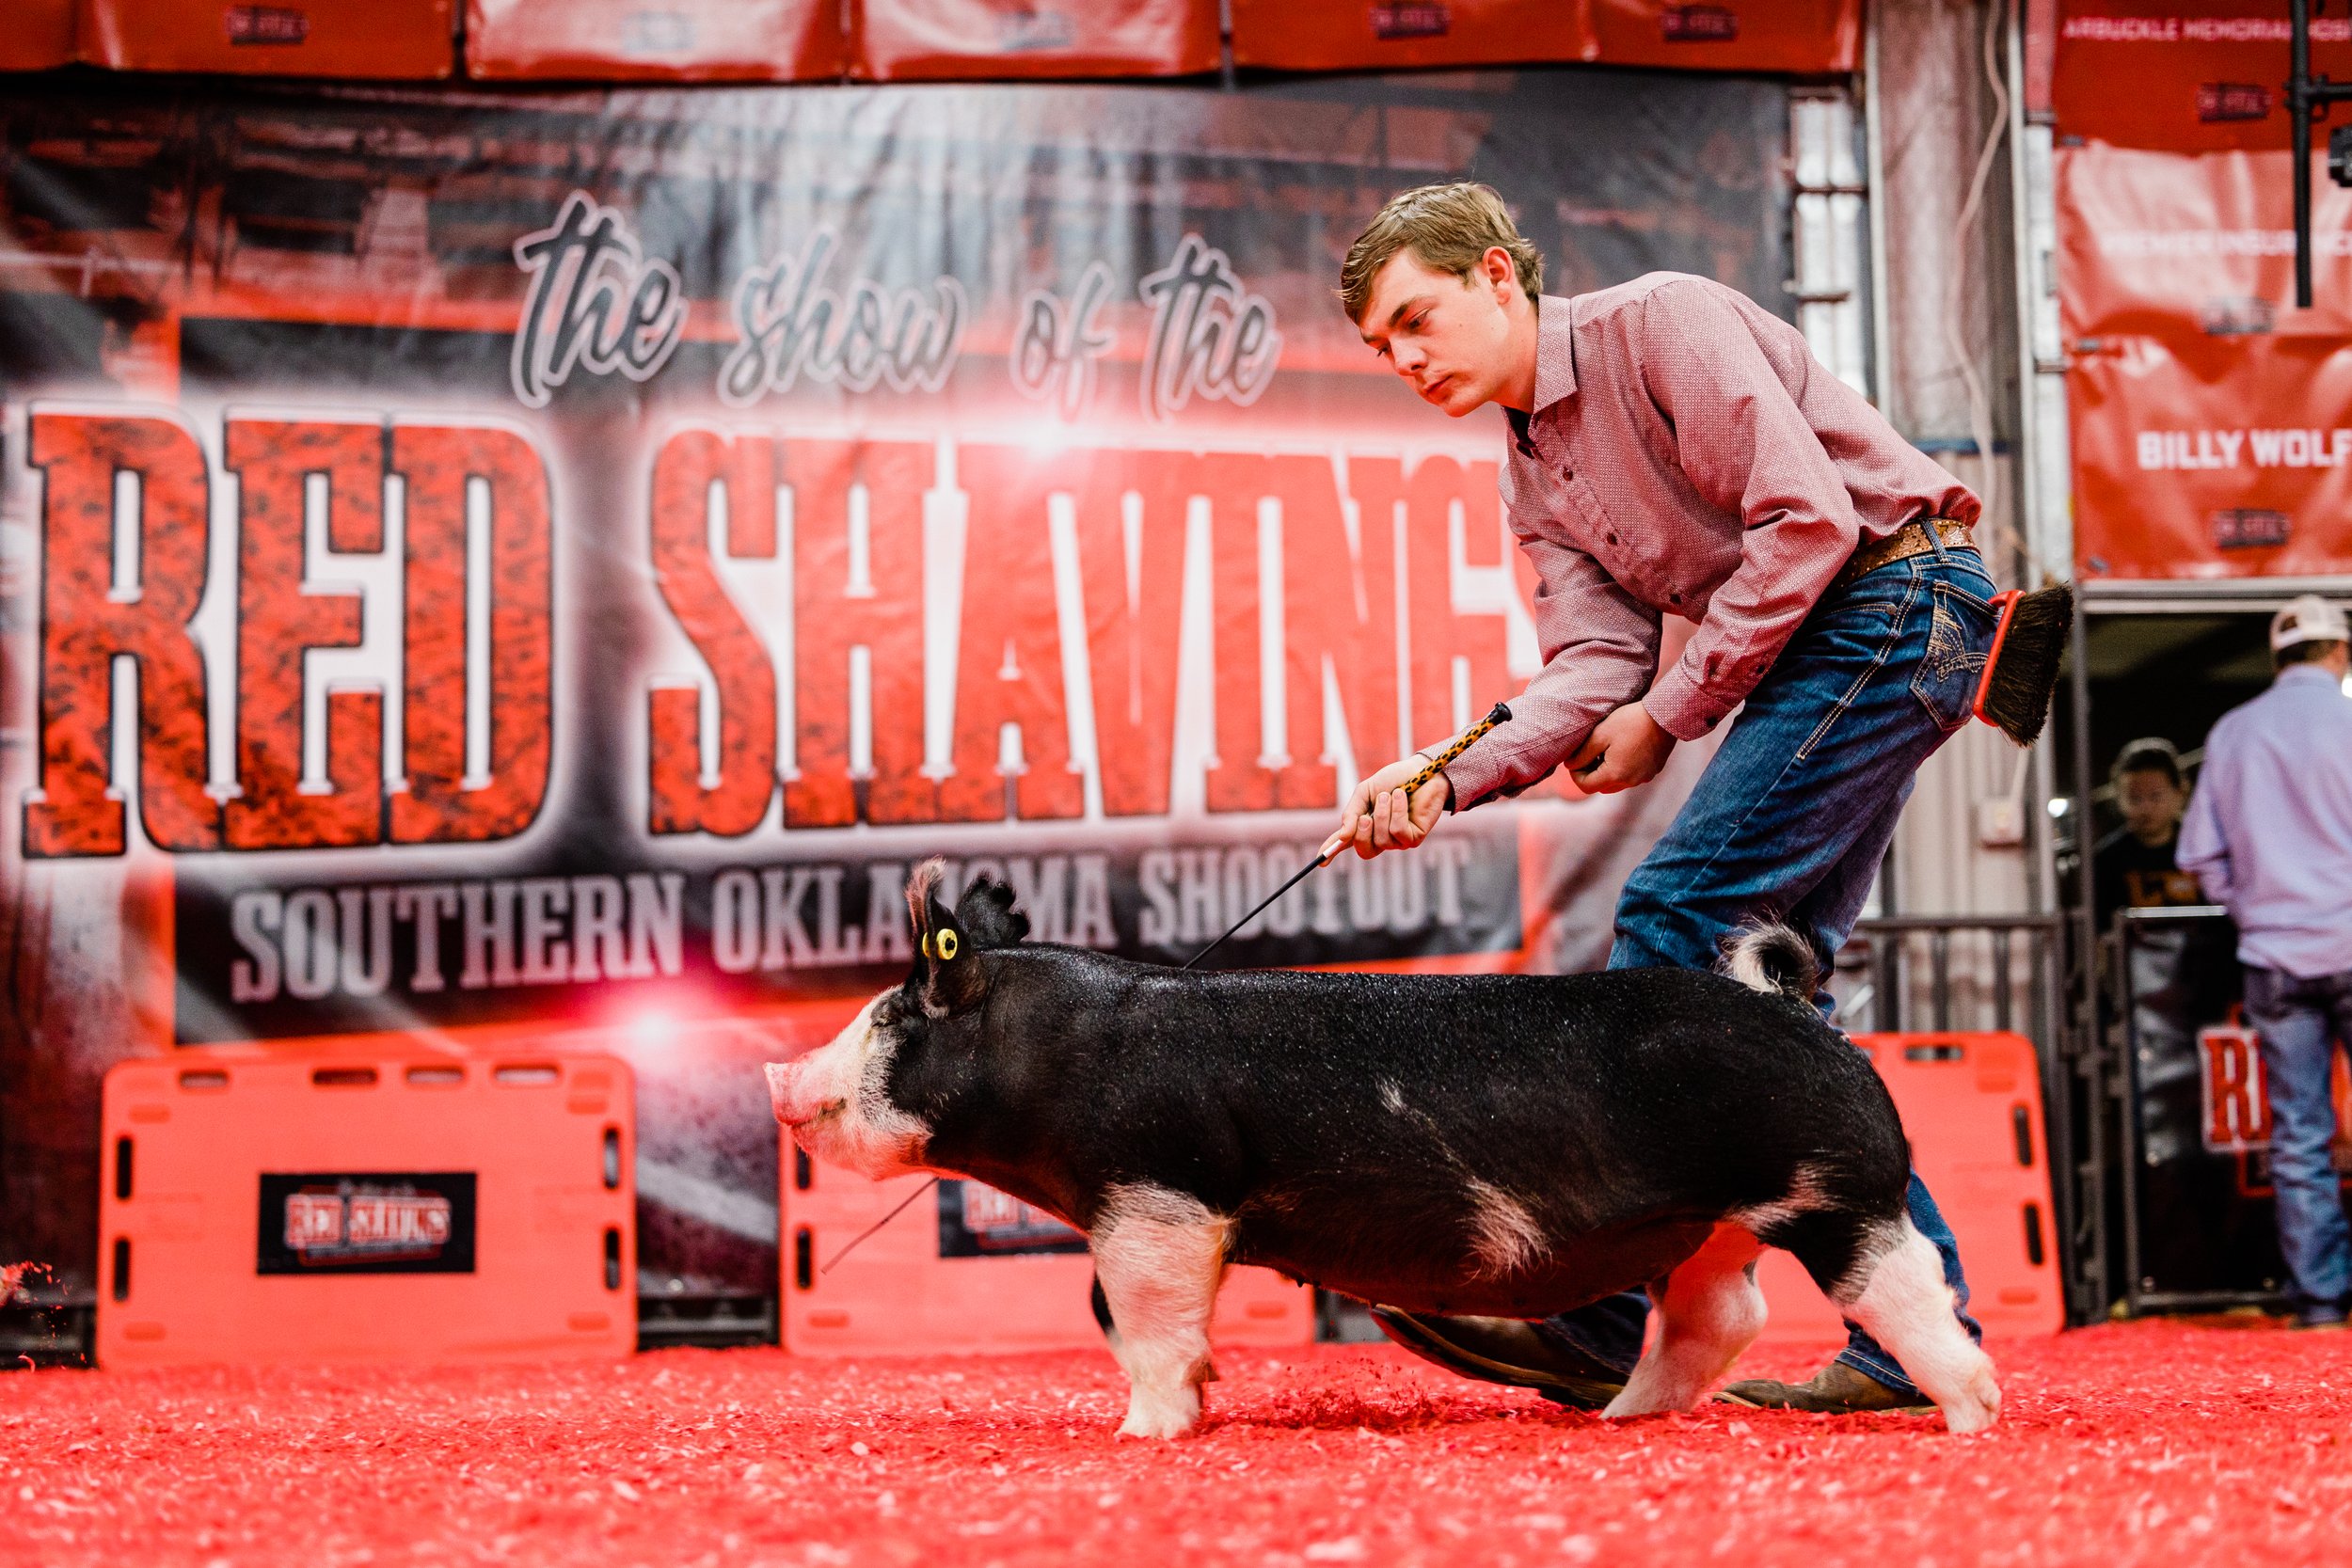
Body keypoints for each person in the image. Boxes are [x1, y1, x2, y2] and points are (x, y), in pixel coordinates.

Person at [1328, 182, 1992, 1414]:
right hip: (1835, 639)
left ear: (1494, 275)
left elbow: (1807, 524)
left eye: (1416, 319)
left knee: (1673, 928)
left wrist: (1672, 711)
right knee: (1766, 992)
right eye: (1382, 346)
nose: (1404, 357)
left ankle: (1606, 1306)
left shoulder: (1660, 319)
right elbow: (1591, 668)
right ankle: (1910, 1329)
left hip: (1903, 600)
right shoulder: (1529, 470)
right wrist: (1439, 775)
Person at [2176, 594, 2352, 1329]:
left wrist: (2255, 908)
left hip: (2275, 954)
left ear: (2280, 658)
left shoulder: (2235, 732)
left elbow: (2198, 856)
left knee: (2300, 1130)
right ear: (2339, 652)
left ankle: (2320, 1300)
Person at [2092, 737, 2202, 931]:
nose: (2146, 808)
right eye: (2135, 799)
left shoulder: (2203, 850)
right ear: (2119, 799)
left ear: (2180, 793)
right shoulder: (2106, 860)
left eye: (2156, 796)